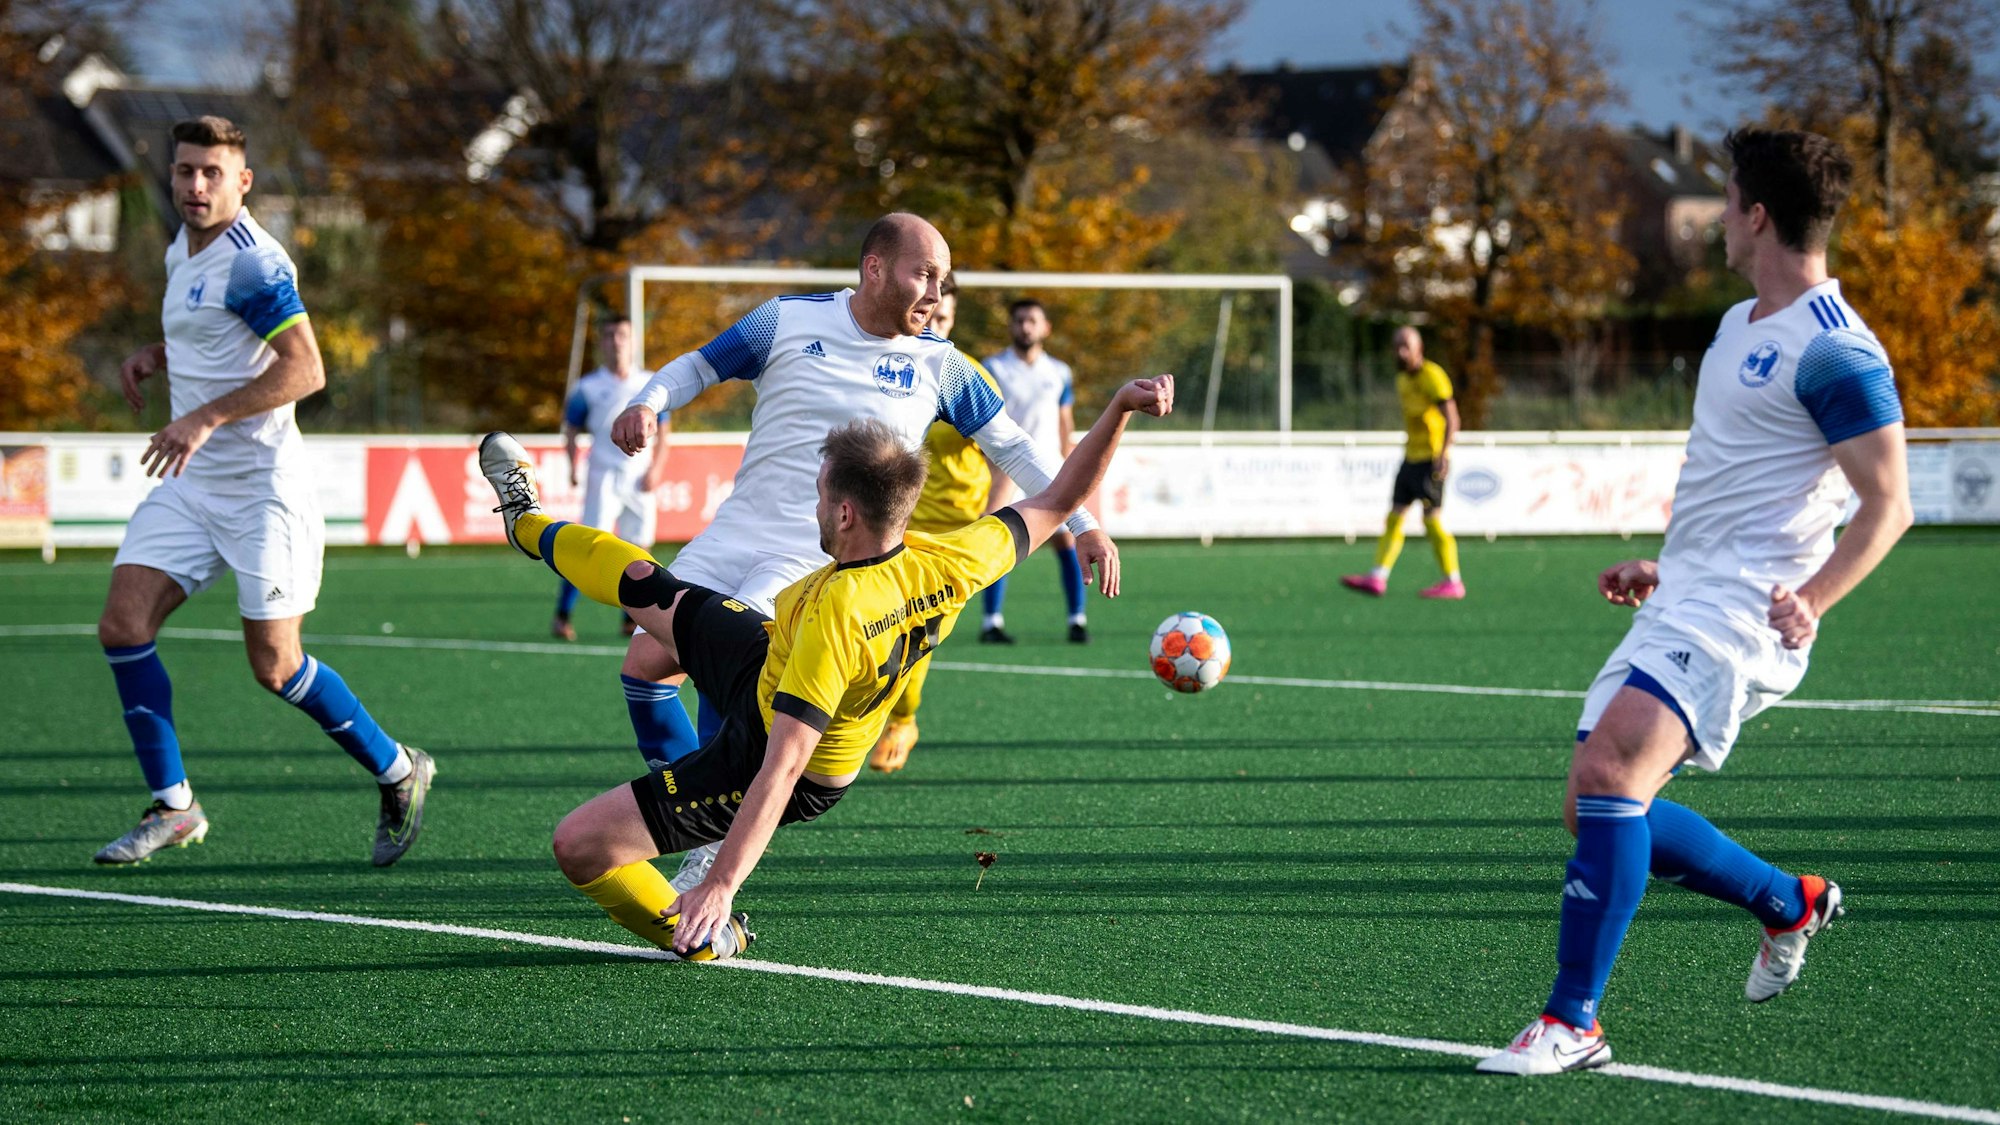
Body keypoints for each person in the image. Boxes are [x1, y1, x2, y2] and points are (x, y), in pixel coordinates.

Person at [1476, 128, 1912, 1076]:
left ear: (1757, 214)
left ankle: (1573, 1021)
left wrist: (1816, 598)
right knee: (1591, 803)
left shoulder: (1836, 347)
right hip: (1690, 596)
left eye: (1725, 200)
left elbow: (1890, 503)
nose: (1716, 218)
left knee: (1611, 776)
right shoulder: (1735, 325)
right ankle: (1787, 900)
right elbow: (1742, 483)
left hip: (1748, 615)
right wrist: (1667, 567)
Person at [476, 374, 1174, 959]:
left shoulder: (839, 616)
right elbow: (1057, 498)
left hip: (779, 755)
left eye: (816, 495)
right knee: (647, 585)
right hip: (768, 659)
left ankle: (706, 934)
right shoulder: (949, 559)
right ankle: (525, 523)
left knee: (579, 844)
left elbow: (782, 768)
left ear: (843, 514)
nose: (810, 506)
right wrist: (1117, 407)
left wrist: (721, 883)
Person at [603, 213, 1122, 891]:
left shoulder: (941, 364)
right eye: (924, 273)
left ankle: (710, 850)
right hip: (732, 533)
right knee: (644, 667)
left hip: (814, 560)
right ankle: (702, 822)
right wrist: (649, 401)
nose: (936, 291)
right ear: (874, 269)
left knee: (727, 681)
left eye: (942, 278)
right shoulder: (786, 320)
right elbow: (700, 364)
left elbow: (1018, 449)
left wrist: (1083, 522)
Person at [95, 116, 433, 868]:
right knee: (122, 625)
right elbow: (214, 335)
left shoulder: (255, 261)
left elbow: (305, 369)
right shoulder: (182, 247)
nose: (195, 186)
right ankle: (174, 807)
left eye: (212, 173)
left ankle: (398, 769)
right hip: (192, 485)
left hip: (261, 490)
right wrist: (158, 355)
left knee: (276, 666)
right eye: (185, 170)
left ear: (242, 182)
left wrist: (204, 416)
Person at [868, 276, 999, 772]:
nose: (933, 327)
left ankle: (903, 720)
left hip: (952, 532)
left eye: (943, 318)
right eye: (928, 316)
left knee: (914, 634)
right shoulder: (887, 369)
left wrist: (991, 524)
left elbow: (1006, 458)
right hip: (891, 523)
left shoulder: (966, 377)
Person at [553, 315, 671, 644]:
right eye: (609, 335)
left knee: (639, 548)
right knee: (591, 545)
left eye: (622, 335)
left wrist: (657, 469)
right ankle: (562, 615)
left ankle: (630, 620)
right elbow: (571, 428)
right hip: (602, 474)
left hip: (638, 476)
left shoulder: (650, 383)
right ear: (601, 343)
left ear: (633, 341)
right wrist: (572, 465)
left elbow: (664, 431)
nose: (616, 341)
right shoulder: (587, 387)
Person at [978, 298, 1089, 642]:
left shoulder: (1059, 371)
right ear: (1011, 326)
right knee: (999, 540)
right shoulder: (993, 368)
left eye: (1032, 320)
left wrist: (1071, 468)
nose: (1025, 327)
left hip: (1049, 469)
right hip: (1007, 469)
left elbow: (1065, 422)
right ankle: (991, 622)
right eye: (1019, 320)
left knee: (1067, 540)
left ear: (1045, 328)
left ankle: (1077, 619)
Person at [1341, 327, 1464, 600]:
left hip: (1431, 460)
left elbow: (1452, 418)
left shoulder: (1433, 376)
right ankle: (1377, 576)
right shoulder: (1401, 379)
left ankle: (1453, 581)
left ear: (1420, 348)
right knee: (1395, 516)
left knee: (1432, 520)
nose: (1400, 352)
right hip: (1410, 458)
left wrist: (1444, 454)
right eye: (1396, 346)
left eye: (1406, 346)